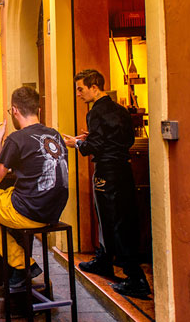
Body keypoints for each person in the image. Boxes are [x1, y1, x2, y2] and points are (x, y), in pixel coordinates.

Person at [0, 86, 69, 288]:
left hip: (26, 212)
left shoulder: (17, 138)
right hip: (52, 213)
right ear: (38, 110)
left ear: (14, 111)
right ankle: (20, 263)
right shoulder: (55, 135)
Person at [63, 69, 150, 297]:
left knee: (110, 220)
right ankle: (105, 260)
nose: (78, 94)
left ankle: (135, 278)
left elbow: (97, 145)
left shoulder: (95, 112)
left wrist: (78, 144)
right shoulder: (120, 111)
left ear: (95, 87)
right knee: (124, 219)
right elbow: (125, 139)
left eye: (81, 89)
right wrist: (91, 138)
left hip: (106, 172)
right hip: (124, 169)